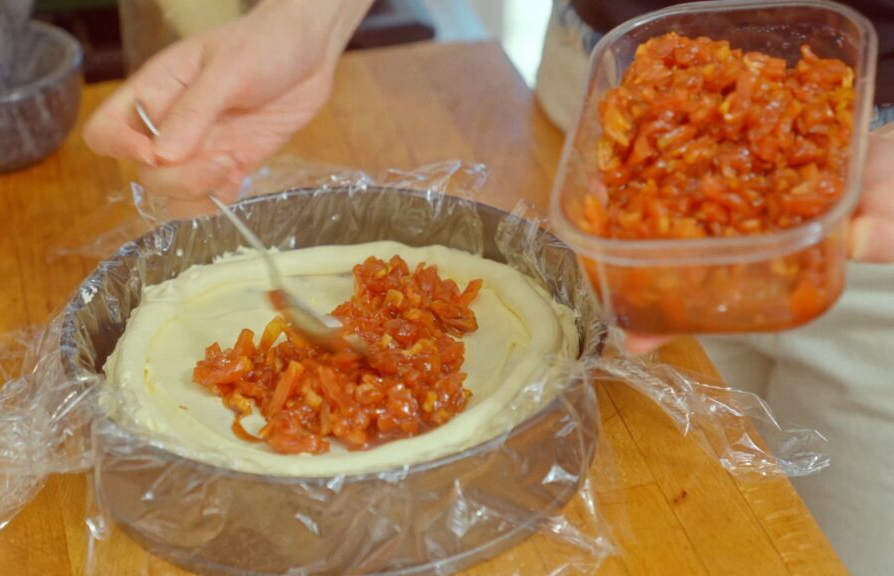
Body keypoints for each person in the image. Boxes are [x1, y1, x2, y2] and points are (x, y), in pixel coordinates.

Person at [83, 1, 894, 573]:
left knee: (817, 549)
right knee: (687, 527)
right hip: (615, 115)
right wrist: (308, 18)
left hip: (870, 174)